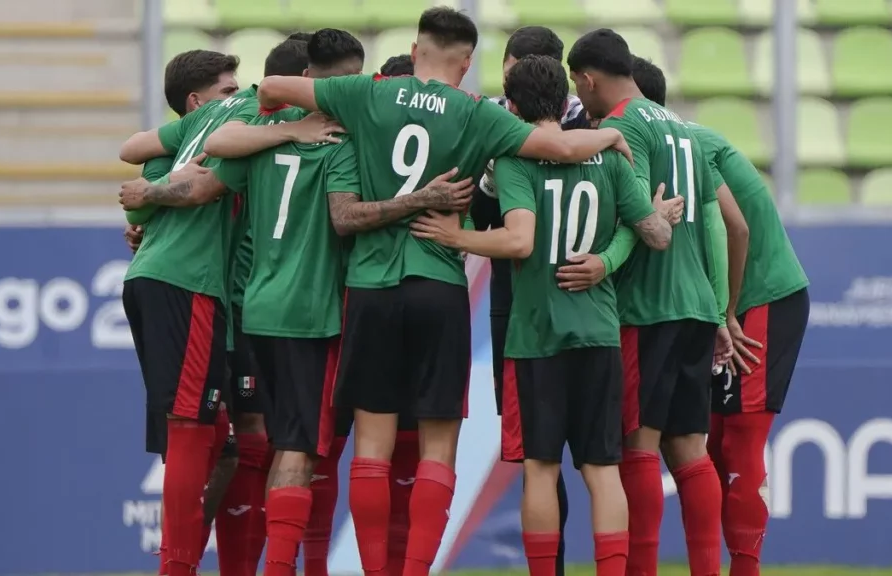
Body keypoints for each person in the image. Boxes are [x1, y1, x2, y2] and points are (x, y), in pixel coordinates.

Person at [254, 8, 633, 576]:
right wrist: (609, 132)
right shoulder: (476, 112)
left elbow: (271, 86)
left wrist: (295, 123)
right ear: (468, 61)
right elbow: (557, 149)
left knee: (373, 450)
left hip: (371, 287)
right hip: (438, 284)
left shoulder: (369, 92)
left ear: (416, 46)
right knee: (437, 448)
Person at [408, 54, 683, 576]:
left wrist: (455, 237)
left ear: (510, 105)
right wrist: (616, 251)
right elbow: (657, 235)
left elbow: (518, 240)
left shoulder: (514, 160)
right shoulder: (609, 157)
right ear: (564, 102)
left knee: (539, 468)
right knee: (603, 471)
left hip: (535, 339)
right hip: (598, 335)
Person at [117, 47, 341, 576]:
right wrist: (289, 131)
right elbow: (175, 188)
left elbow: (136, 179)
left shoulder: (199, 120)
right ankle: (178, 566)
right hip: (194, 284)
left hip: (165, 280)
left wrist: (152, 194)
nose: (239, 92)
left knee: (220, 437)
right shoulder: (246, 114)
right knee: (196, 431)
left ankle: (193, 562)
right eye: (227, 86)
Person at [631, 56, 811, 576]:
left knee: (740, 440)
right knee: (699, 446)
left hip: (761, 298)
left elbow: (734, 228)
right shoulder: (673, 144)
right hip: (720, 303)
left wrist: (724, 312)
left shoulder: (688, 144)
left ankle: (744, 569)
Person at [568, 29, 733, 576]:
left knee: (638, 447)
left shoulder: (621, 126)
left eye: (577, 83)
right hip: (693, 306)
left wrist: (606, 260)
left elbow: (638, 215)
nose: (579, 95)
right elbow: (712, 223)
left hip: (646, 306)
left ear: (589, 79)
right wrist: (718, 308)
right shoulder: (685, 128)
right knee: (691, 453)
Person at [470, 27, 586, 576]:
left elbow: (486, 222)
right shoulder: (593, 132)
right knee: (590, 459)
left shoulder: (504, 129)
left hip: (532, 305)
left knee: (547, 457)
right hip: (573, 304)